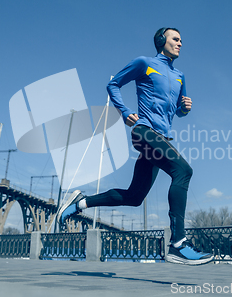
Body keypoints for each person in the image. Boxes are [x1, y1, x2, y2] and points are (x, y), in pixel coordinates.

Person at [57, 27, 214, 265]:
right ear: (162, 41)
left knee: (134, 197)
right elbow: (113, 84)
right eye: (176, 39)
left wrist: (185, 108)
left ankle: (80, 202)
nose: (180, 43)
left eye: (182, 40)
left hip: (162, 138)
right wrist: (126, 111)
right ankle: (178, 244)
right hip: (144, 132)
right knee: (183, 171)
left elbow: (177, 112)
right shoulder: (145, 63)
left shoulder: (181, 76)